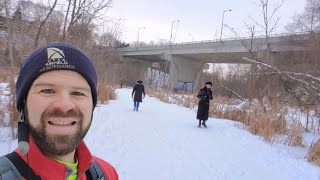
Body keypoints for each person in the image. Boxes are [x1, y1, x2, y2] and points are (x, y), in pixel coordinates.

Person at [0, 43, 118, 179]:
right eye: (47, 91)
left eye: (78, 93)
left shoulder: (107, 173)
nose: (64, 105)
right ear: (23, 105)